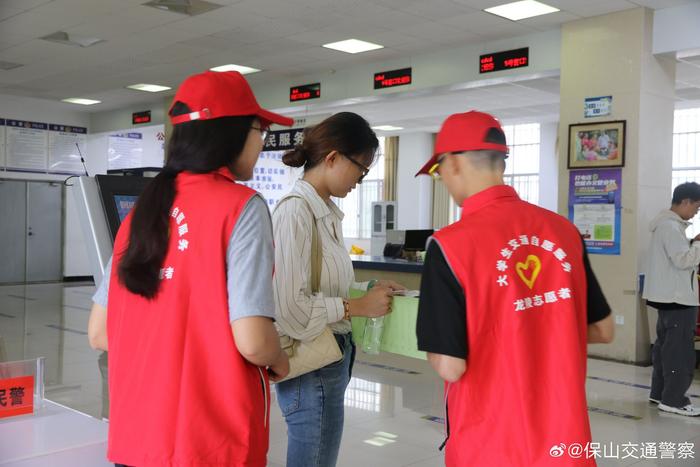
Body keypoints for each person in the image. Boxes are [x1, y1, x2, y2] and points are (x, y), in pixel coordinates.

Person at [87, 70, 292, 467]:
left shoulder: (141, 212)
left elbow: (99, 332)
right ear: (230, 133)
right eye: (259, 129)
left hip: (136, 441)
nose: (262, 141)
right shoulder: (241, 207)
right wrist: (280, 359)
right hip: (211, 444)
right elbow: (252, 340)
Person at [414, 111, 614, 466]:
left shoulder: (449, 246)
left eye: (438, 169)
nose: (441, 178)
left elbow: (450, 367)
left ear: (455, 163)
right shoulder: (563, 231)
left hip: (489, 446)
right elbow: (602, 329)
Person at [272, 112, 404, 467]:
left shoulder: (325, 212)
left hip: (333, 356)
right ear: (332, 157)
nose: (361, 180)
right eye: (360, 169)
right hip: (311, 363)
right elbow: (291, 307)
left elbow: (326, 285)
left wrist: (368, 289)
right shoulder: (294, 213)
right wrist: (357, 306)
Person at [642, 182, 700, 417]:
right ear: (685, 202)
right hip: (677, 299)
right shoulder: (670, 227)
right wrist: (697, 243)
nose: (696, 212)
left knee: (665, 349)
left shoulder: (665, 226)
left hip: (666, 297)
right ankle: (674, 400)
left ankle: (660, 393)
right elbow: (684, 260)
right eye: (696, 207)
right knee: (679, 351)